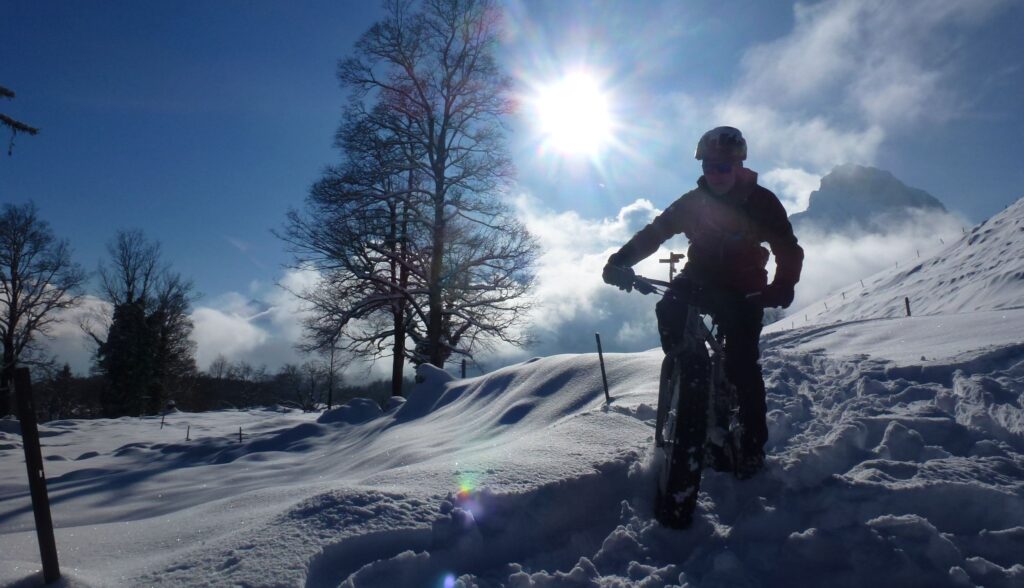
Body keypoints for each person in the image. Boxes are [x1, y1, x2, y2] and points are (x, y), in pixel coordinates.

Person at [602, 126, 803, 479]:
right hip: (700, 277)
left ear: (739, 165)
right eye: (709, 166)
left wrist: (782, 285)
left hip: (744, 287)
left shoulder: (762, 202)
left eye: (724, 167)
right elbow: (657, 231)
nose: (716, 174)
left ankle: (752, 447)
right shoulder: (693, 202)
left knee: (743, 365)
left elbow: (787, 248)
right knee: (669, 309)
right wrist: (621, 261)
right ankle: (687, 371)